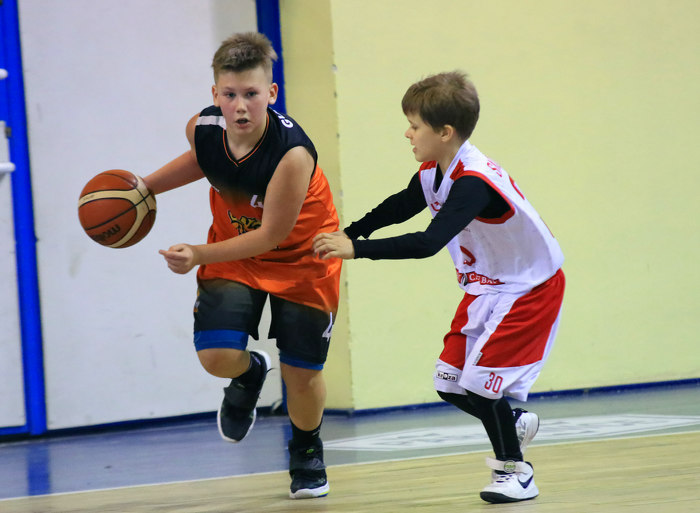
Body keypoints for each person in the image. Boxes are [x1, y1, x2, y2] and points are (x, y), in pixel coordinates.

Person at [313, 71, 565, 504]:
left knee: (481, 386)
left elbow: (428, 243)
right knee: (450, 383)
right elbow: (402, 205)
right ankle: (511, 423)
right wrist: (350, 231)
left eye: (414, 125)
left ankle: (516, 471)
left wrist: (356, 249)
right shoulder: (436, 170)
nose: (407, 133)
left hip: (529, 287)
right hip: (487, 286)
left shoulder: (473, 183)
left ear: (445, 132)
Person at [142, 32, 340, 500]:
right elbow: (203, 161)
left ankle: (306, 449)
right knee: (215, 357)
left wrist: (197, 253)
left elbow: (271, 235)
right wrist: (143, 187)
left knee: (301, 372)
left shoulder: (292, 154)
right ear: (215, 95)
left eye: (251, 93)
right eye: (229, 95)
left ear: (271, 93)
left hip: (303, 258)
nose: (240, 106)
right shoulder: (202, 128)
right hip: (236, 252)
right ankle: (249, 373)